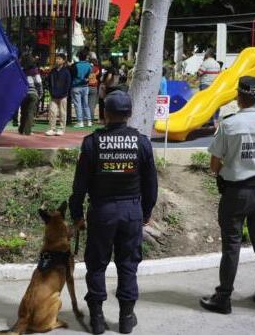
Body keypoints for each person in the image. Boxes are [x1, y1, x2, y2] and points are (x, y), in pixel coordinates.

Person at [69, 91, 158, 335]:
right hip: (131, 211)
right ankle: (126, 318)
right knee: (128, 264)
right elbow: (151, 185)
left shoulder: (92, 143)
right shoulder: (141, 143)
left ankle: (97, 320)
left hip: (102, 211)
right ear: (129, 114)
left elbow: (79, 186)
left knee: (96, 264)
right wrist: (146, 211)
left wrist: (76, 214)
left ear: (104, 114)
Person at [200, 76, 255, 315]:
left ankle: (224, 298)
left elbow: (214, 165)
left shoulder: (229, 124)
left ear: (239, 96)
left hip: (236, 194)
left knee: (231, 247)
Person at [46, 54, 72, 136]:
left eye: (59, 59)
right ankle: (52, 129)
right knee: (52, 112)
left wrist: (64, 93)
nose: (57, 60)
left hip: (63, 96)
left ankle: (61, 129)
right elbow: (49, 82)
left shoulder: (66, 71)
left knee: (62, 113)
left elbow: (68, 84)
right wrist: (51, 91)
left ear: (63, 61)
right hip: (54, 95)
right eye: (57, 59)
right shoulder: (52, 71)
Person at [198, 49, 221, 125]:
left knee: (205, 103)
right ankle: (214, 119)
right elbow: (219, 74)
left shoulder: (205, 63)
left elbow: (199, 73)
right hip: (214, 85)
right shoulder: (217, 64)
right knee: (213, 102)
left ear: (207, 55)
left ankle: (205, 119)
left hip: (205, 85)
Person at [71, 49, 93, 128]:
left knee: (78, 104)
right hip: (85, 86)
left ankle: (80, 122)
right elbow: (90, 76)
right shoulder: (89, 65)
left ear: (79, 57)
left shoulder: (75, 65)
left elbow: (71, 76)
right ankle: (89, 121)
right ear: (86, 56)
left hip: (76, 86)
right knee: (86, 104)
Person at [88, 55, 101, 123]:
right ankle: (91, 120)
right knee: (92, 105)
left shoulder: (88, 68)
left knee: (85, 104)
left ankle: (85, 120)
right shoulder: (97, 69)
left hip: (86, 86)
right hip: (94, 87)